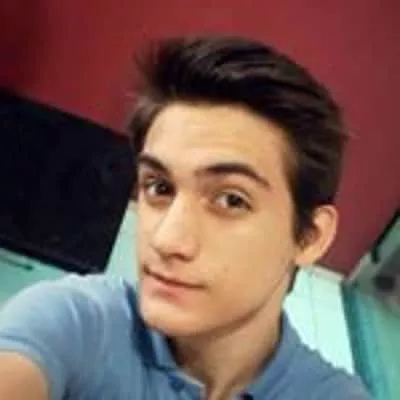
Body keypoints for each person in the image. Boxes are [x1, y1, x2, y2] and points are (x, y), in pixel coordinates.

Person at [0, 35, 371, 399]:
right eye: (160, 187)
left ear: (310, 236)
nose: (166, 240)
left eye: (231, 200)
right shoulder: (76, 323)